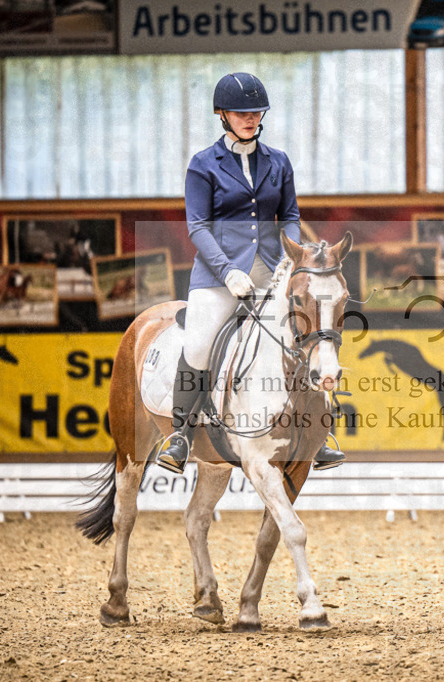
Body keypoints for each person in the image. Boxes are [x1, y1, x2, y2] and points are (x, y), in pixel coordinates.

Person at [156, 72, 345, 474]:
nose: (251, 118)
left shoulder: (278, 162)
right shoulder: (203, 165)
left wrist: (291, 257)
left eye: (257, 112)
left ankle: (319, 430)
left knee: (306, 333)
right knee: (200, 344)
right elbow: (197, 227)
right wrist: (226, 272)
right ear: (222, 114)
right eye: (242, 112)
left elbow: (290, 215)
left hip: (274, 270)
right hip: (218, 275)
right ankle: (180, 434)